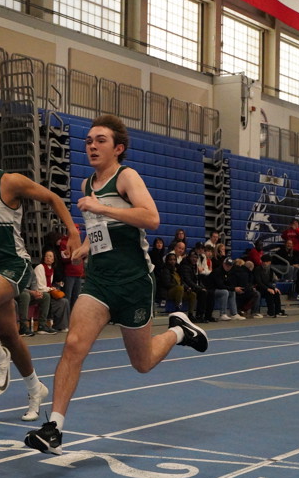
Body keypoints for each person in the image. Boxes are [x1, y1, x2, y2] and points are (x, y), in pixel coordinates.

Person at [24, 115, 207, 454]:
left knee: (142, 363)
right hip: (99, 282)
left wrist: (102, 207)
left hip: (134, 283)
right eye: (88, 140)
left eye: (100, 140)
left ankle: (179, 331)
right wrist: (84, 247)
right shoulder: (85, 185)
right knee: (73, 345)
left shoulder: (126, 177)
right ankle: (54, 428)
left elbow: (151, 218)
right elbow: (99, 230)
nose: (92, 146)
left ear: (118, 148)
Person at [0, 121, 81, 423]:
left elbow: (53, 198)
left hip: (11, 265)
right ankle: (35, 389)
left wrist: (72, 231)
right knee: (10, 334)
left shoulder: (9, 182)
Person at [33, 248, 69, 332]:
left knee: (64, 301)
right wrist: (51, 288)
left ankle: (60, 326)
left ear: (53, 259)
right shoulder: (40, 267)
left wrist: (53, 288)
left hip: (48, 293)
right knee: (48, 297)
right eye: (46, 256)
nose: (48, 258)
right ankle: (42, 325)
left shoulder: (51, 269)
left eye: (50, 256)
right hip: (40, 294)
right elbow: (40, 286)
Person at [179, 249, 212, 323]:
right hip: (186, 287)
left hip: (193, 286)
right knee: (202, 293)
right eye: (193, 257)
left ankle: (207, 315)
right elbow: (188, 281)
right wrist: (200, 288)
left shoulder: (194, 266)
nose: (194, 259)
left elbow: (197, 279)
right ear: (189, 257)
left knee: (210, 292)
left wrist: (202, 287)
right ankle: (199, 315)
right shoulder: (185, 266)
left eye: (196, 257)